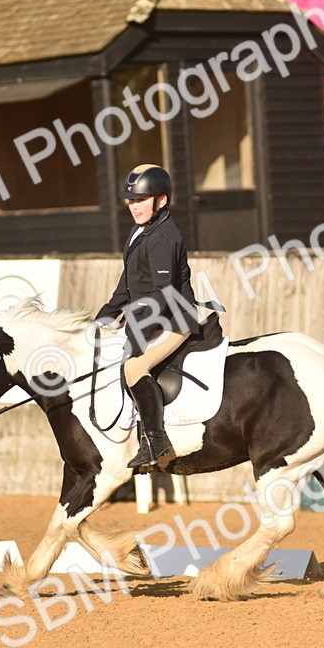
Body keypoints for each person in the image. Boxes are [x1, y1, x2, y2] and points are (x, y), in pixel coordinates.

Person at [96, 164, 200, 470]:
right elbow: (126, 287)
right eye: (131, 201)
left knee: (134, 367)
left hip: (175, 321)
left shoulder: (164, 237)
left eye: (141, 200)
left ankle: (156, 440)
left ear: (162, 201)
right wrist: (103, 318)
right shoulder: (139, 231)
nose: (134, 207)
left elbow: (163, 294)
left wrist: (133, 329)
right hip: (151, 316)